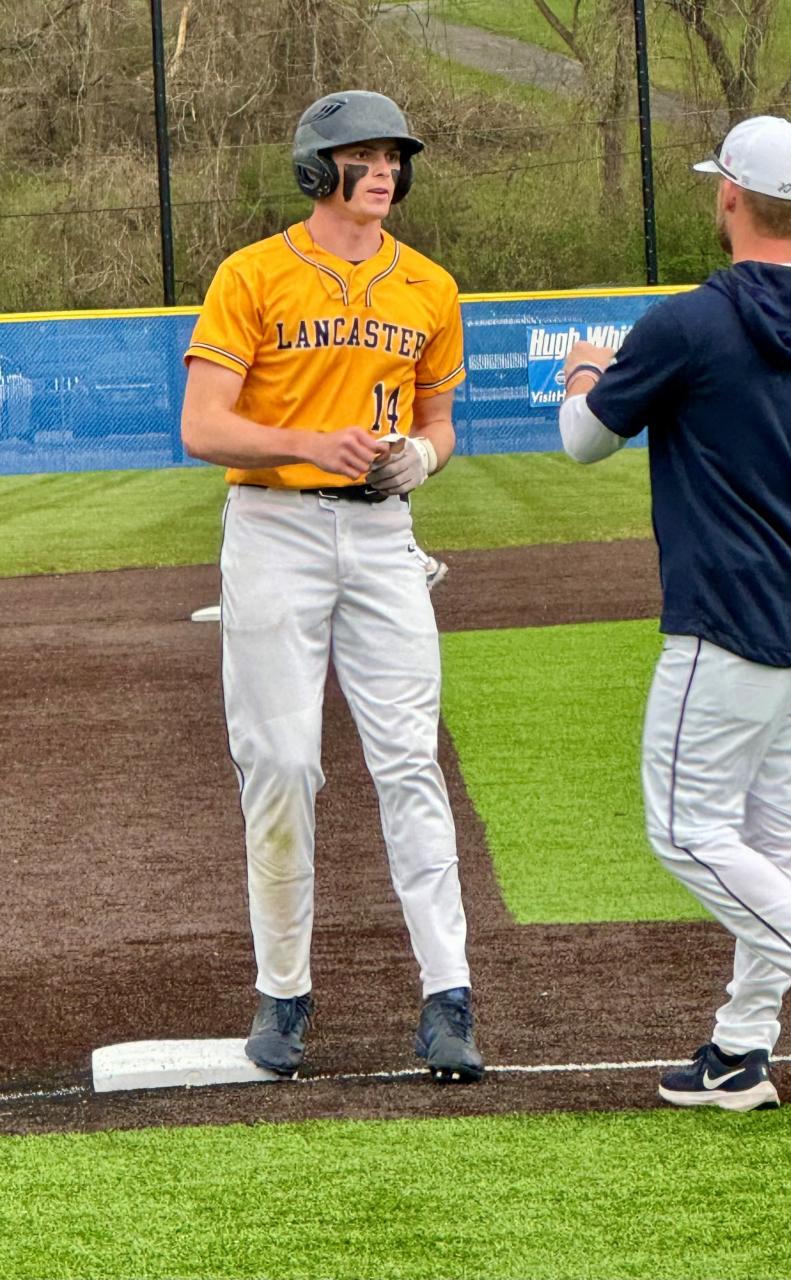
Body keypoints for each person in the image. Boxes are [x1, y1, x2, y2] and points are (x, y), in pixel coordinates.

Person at [558, 115, 791, 1113]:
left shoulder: (684, 323)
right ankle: (738, 1052)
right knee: (772, 846)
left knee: (684, 829)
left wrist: (587, 370)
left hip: (724, 628)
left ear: (728, 195)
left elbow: (583, 443)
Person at [180, 89, 483, 1084]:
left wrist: (424, 462)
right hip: (275, 530)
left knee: (410, 761)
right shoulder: (253, 275)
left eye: (394, 154)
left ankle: (449, 995)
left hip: (384, 532)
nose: (385, 169)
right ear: (319, 170)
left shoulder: (429, 287)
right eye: (363, 155)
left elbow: (438, 420)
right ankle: (284, 991)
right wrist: (313, 442)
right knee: (280, 762)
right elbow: (203, 426)